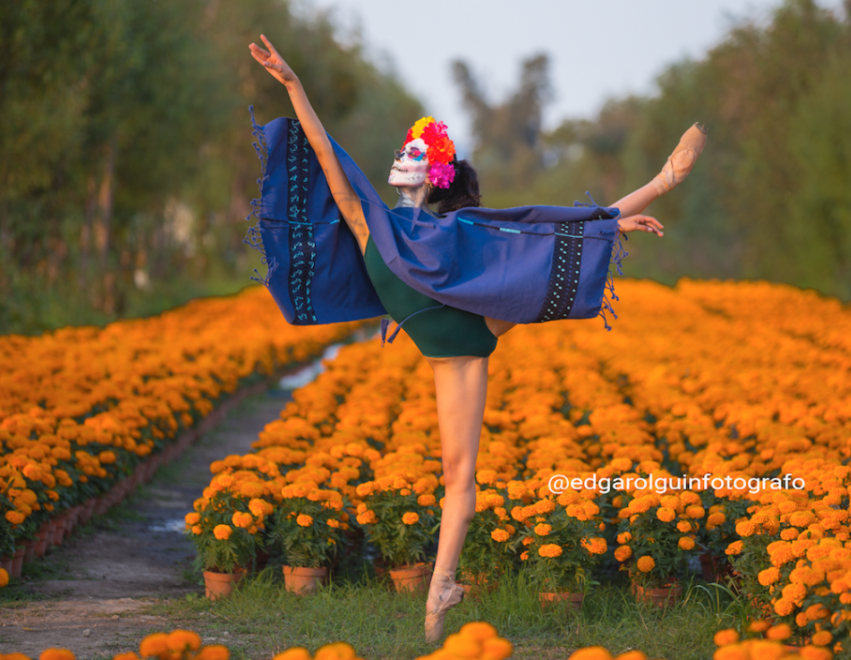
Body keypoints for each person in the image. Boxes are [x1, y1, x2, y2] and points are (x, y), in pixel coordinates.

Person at [248, 34, 706, 643]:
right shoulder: (369, 224)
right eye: (401, 149)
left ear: (431, 174)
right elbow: (329, 159)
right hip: (449, 350)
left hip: (474, 318)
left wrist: (617, 218)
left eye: (413, 152)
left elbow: (542, 230)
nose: (399, 155)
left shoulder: (454, 231)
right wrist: (292, 82)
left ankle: (655, 187)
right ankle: (441, 593)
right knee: (457, 477)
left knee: (552, 243)